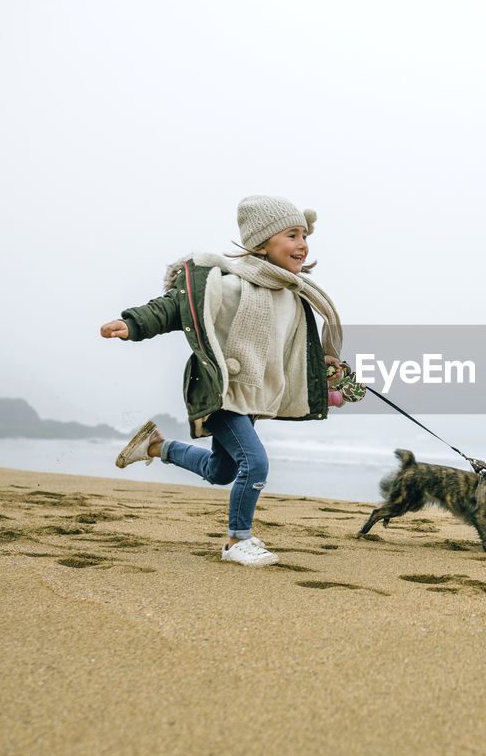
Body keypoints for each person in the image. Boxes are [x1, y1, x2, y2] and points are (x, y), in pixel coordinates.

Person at [100, 195, 348, 567]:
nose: (302, 244)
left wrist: (324, 361)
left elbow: (291, 345)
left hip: (250, 397)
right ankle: (237, 540)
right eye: (292, 235)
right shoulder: (230, 283)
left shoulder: (292, 295)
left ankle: (155, 447)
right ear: (262, 242)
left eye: (304, 236)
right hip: (220, 390)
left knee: (222, 471)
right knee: (256, 463)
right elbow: (176, 306)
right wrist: (134, 324)